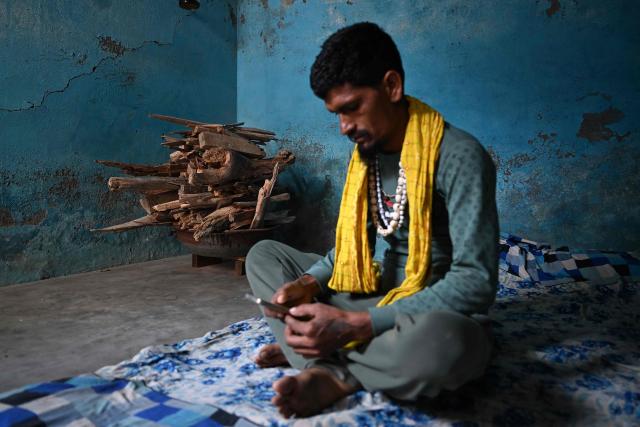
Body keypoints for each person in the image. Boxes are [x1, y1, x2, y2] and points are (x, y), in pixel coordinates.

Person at [246, 22, 499, 419]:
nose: (344, 126)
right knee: (263, 256)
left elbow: (476, 282)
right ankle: (326, 355)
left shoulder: (460, 155)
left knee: (448, 347)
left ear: (392, 86)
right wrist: (308, 282)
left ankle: (324, 365)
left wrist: (357, 325)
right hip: (375, 289)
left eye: (352, 107)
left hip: (428, 311)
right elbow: (348, 254)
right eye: (336, 114)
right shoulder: (368, 153)